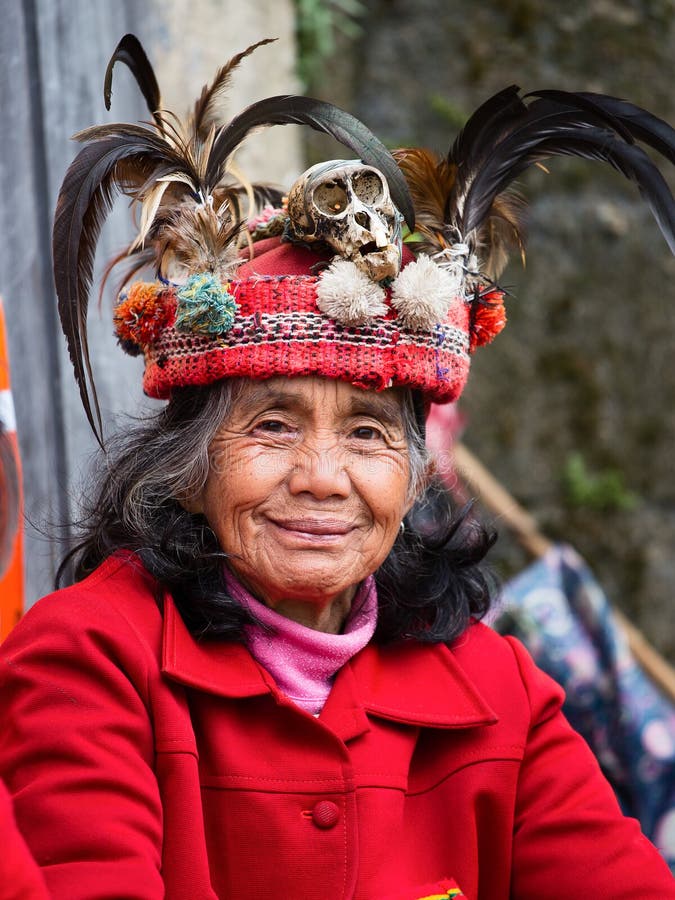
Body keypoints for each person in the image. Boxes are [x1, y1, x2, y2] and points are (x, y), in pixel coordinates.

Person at [1, 33, 674, 899]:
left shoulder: (495, 689)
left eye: (366, 434)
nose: (323, 476)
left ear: (416, 474)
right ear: (188, 466)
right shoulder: (91, 659)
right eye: (274, 425)